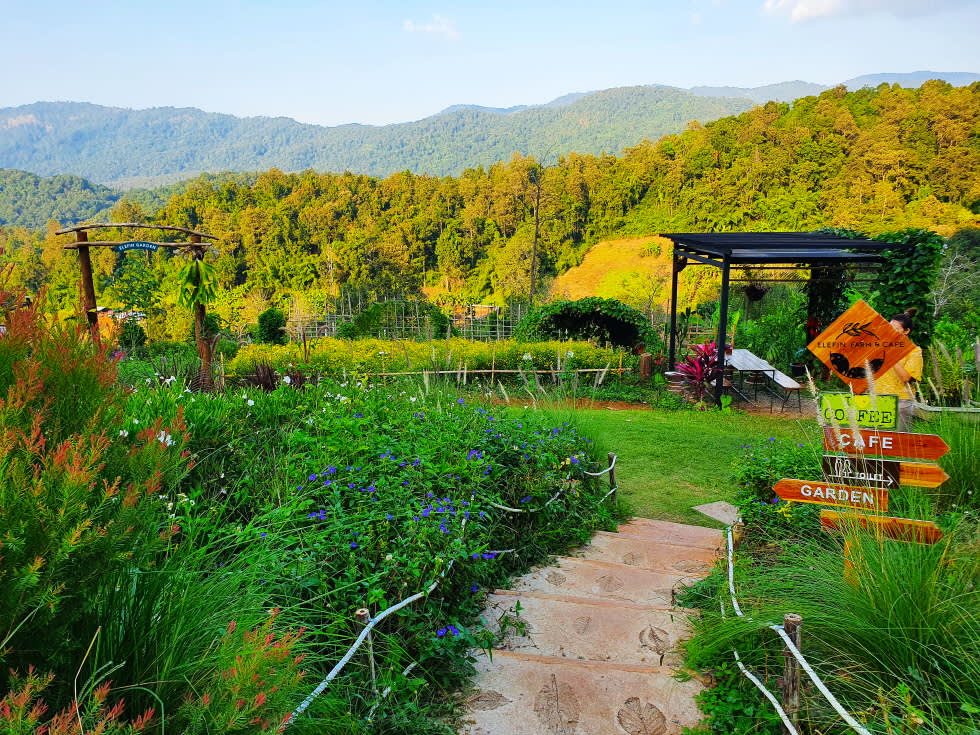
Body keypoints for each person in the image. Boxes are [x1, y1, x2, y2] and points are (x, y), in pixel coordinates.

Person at [873, 308, 923, 430]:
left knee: (899, 439)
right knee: (874, 438)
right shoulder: (881, 346)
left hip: (901, 402)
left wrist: (891, 356)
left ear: (906, 331)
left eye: (895, 329)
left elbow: (906, 378)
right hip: (876, 398)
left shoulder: (914, 351)